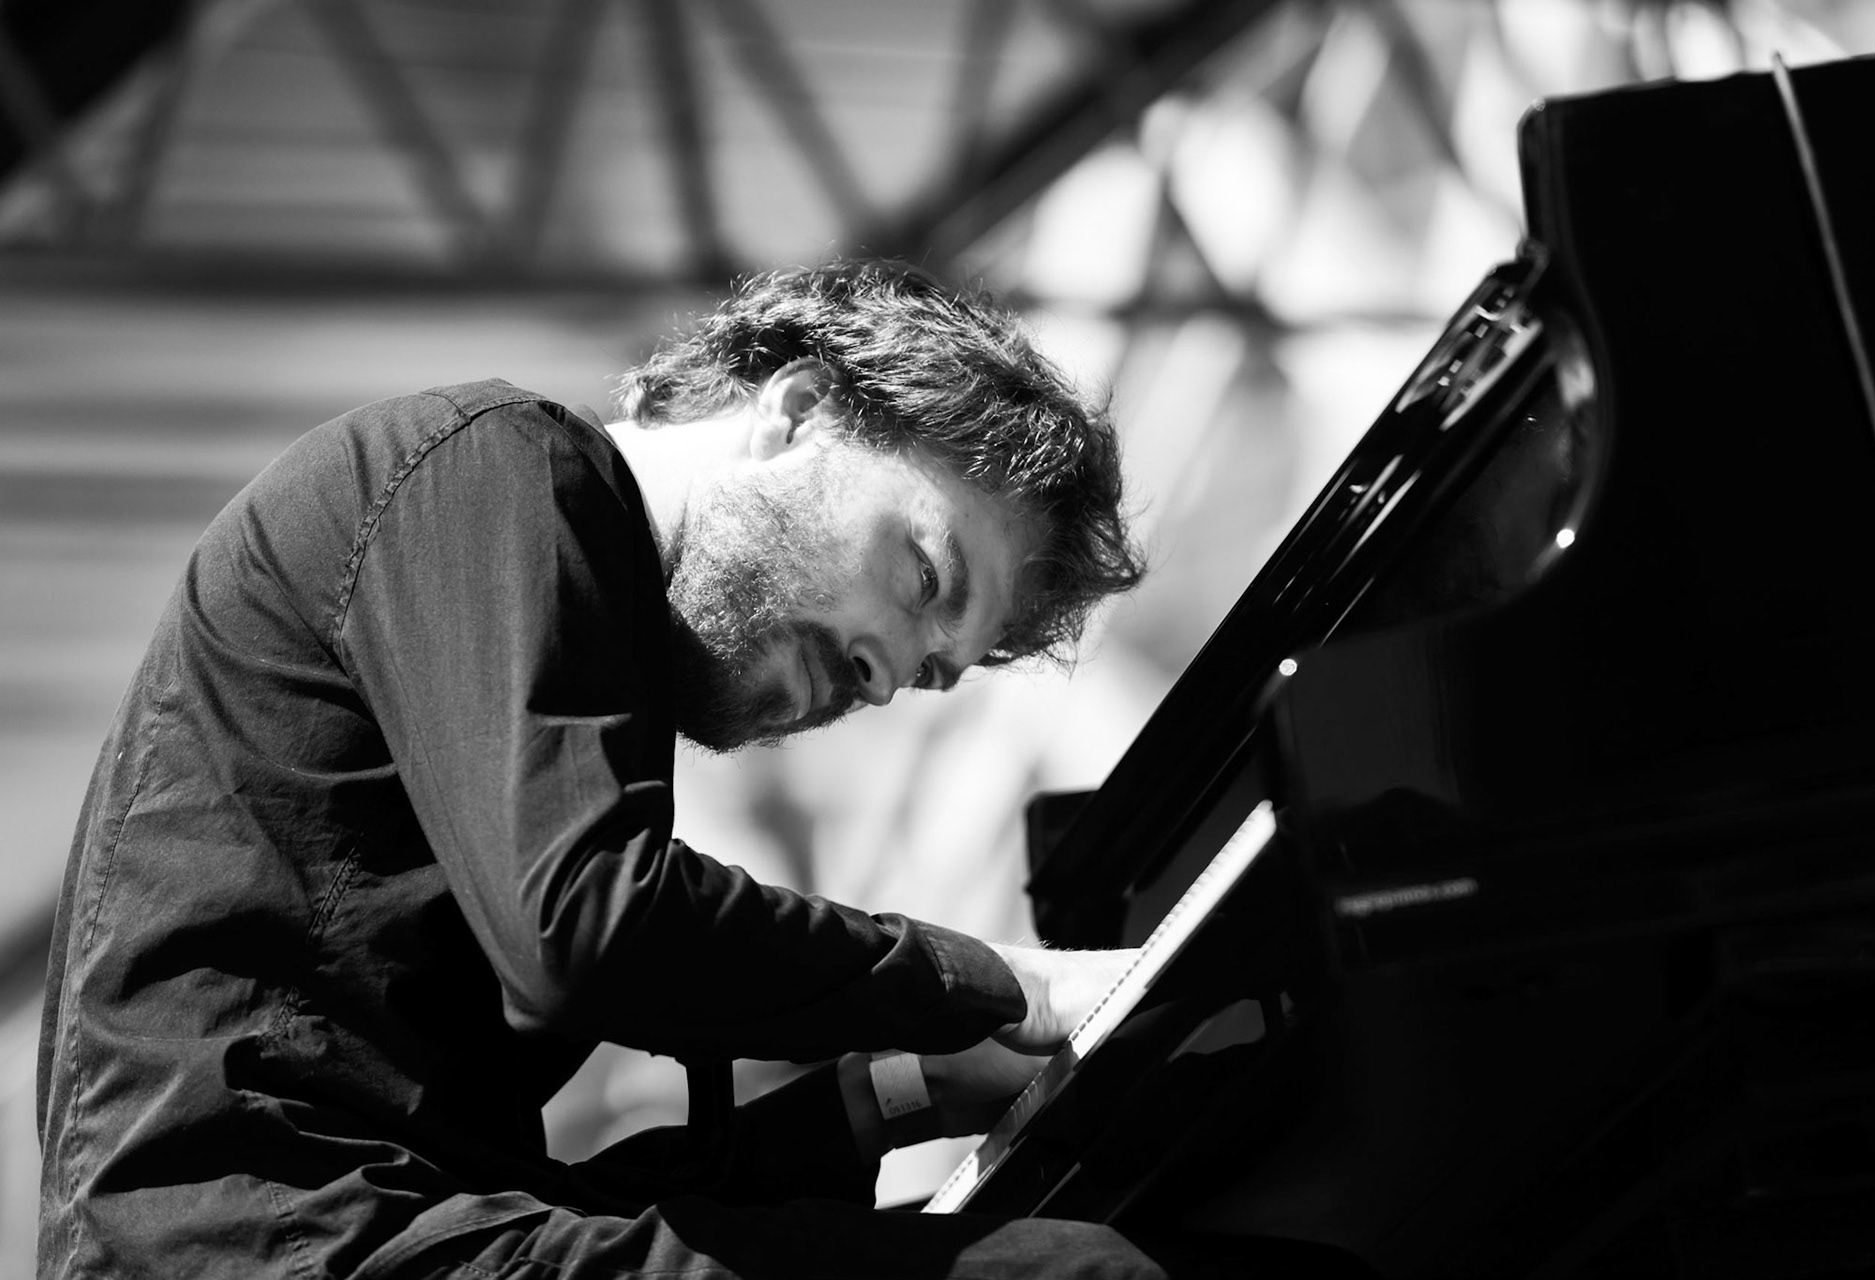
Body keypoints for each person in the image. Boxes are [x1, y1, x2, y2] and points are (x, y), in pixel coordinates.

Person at [36, 259, 1368, 1279]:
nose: (887, 666)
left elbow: (551, 1189)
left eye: (929, 669)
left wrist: (899, 1093)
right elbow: (588, 930)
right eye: (920, 576)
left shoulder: (545, 701)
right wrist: (993, 981)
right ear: (796, 414)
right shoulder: (499, 466)